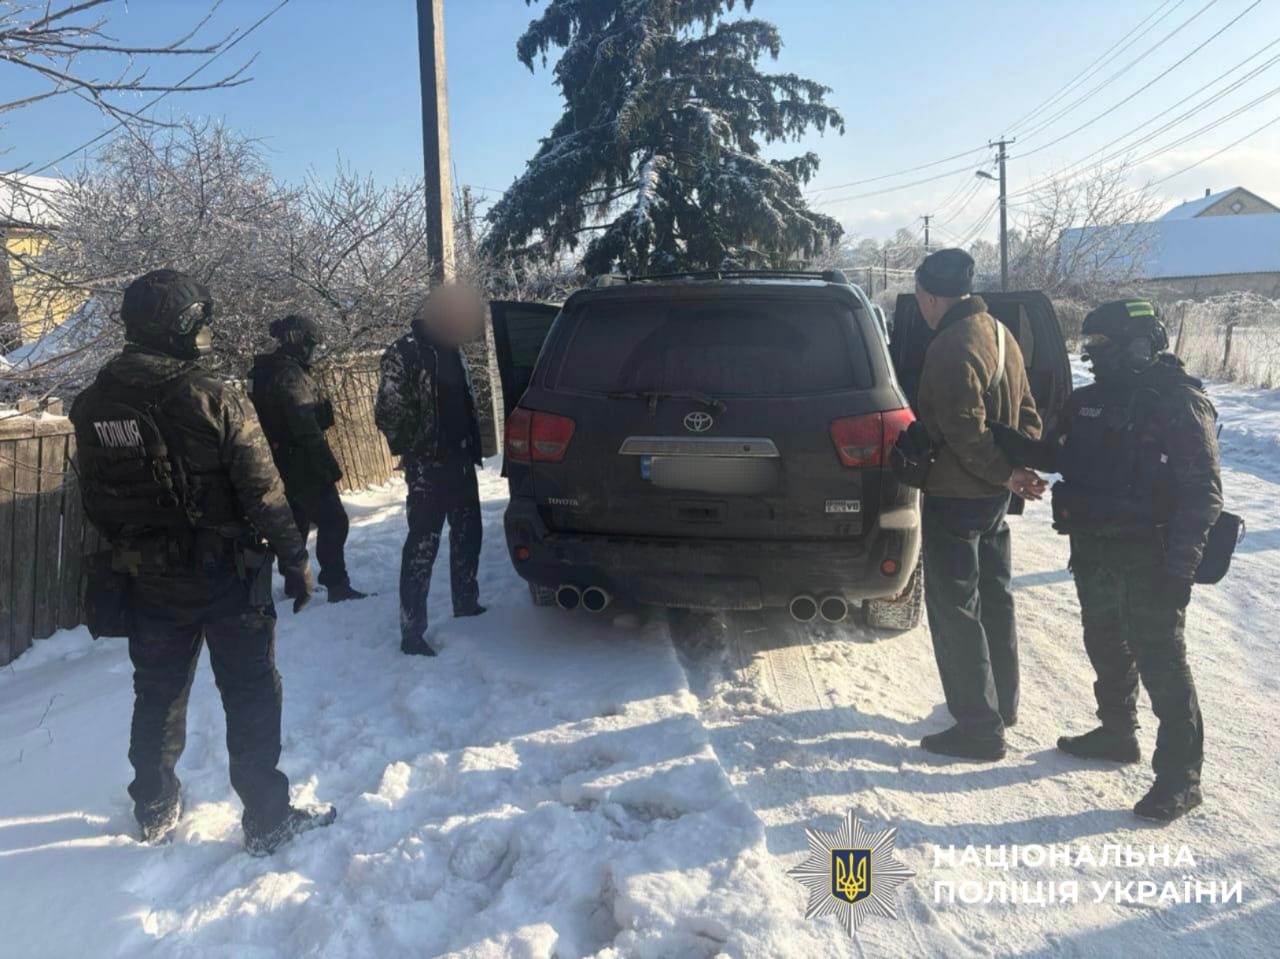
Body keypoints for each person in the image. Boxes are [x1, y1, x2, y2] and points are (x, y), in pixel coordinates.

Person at [69, 269, 336, 855]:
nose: (205, 334)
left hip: (147, 579)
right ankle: (267, 819)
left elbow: (94, 498)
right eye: (199, 323)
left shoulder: (90, 404)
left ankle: (154, 805)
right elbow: (263, 490)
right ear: (180, 326)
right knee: (250, 693)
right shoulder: (212, 395)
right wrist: (296, 560)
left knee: (157, 692)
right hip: (228, 578)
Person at [992, 299, 1222, 822]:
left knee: (1162, 659)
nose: (1094, 356)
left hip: (1153, 555)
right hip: (1094, 548)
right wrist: (996, 436)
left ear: (1141, 344)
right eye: (1090, 347)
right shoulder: (1087, 401)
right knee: (1104, 639)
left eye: (1103, 346)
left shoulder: (1178, 403)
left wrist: (1181, 570)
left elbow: (1203, 495)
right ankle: (1117, 732)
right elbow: (1057, 456)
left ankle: (1181, 778)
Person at [910, 248, 1045, 762]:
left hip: (956, 496)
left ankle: (977, 729)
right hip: (991, 499)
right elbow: (1028, 410)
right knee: (995, 598)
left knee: (955, 610)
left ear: (928, 294)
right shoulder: (1001, 333)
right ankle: (1001, 705)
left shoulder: (950, 344)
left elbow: (964, 432)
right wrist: (1018, 468)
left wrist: (1008, 472)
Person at [375, 285, 487, 656]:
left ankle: (466, 603)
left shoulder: (454, 349)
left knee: (469, 535)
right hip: (428, 467)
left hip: (461, 460)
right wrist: (415, 447)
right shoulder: (403, 352)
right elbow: (387, 411)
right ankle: (412, 633)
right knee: (422, 546)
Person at [249, 314, 366, 602]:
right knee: (334, 521)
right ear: (297, 341)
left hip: (276, 460)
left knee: (296, 522)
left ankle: (294, 582)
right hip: (302, 461)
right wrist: (327, 465)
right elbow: (305, 426)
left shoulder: (260, 372)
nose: (312, 350)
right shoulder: (290, 374)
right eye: (309, 343)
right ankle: (336, 582)